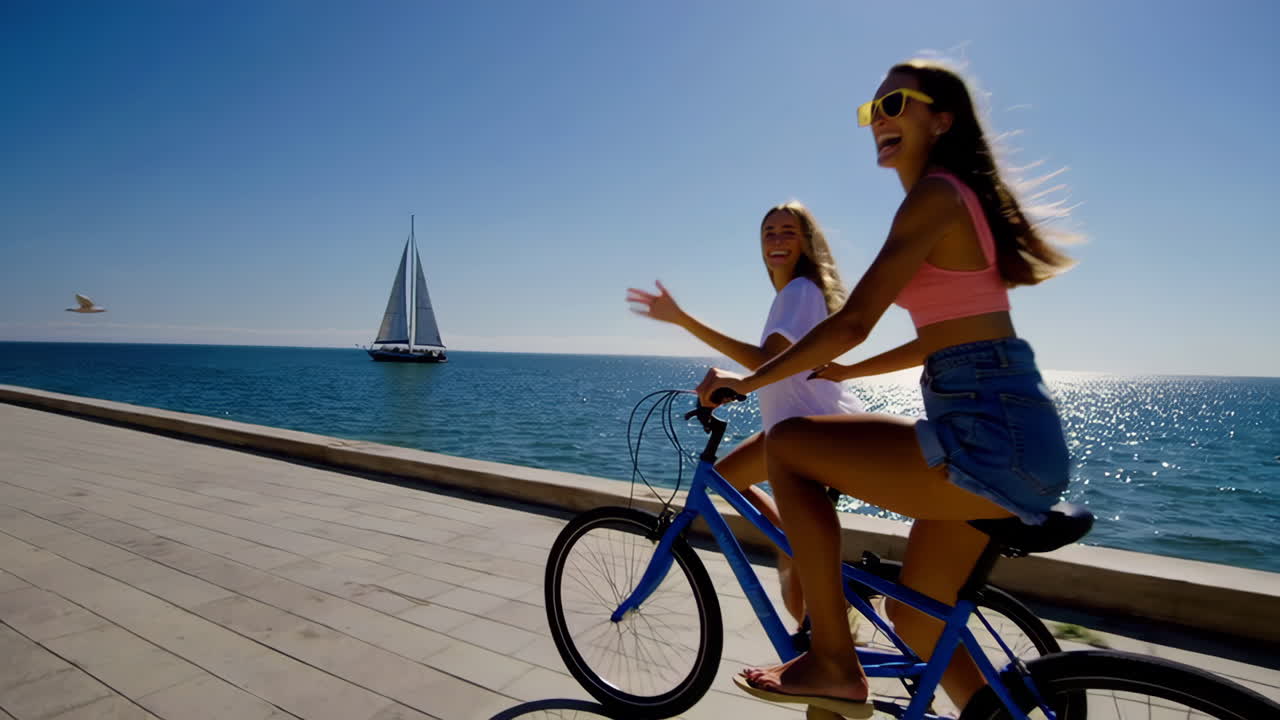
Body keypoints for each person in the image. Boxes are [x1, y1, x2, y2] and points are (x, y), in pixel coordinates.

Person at [698, 59, 1075, 718]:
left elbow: (853, 322)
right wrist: (848, 374)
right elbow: (939, 338)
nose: (879, 120)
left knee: (785, 446)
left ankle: (833, 663)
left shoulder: (936, 195)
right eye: (870, 111)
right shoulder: (946, 201)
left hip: (988, 437)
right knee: (914, 619)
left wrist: (747, 382)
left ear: (941, 118)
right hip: (1003, 431)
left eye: (895, 103)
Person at [627, 201, 864, 627]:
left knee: (800, 603)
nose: (776, 239)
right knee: (725, 479)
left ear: (806, 242)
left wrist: (683, 320)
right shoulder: (795, 292)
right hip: (791, 430)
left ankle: (835, 646)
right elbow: (781, 366)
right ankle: (800, 555)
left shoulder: (800, 291)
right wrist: (736, 381)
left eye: (788, 231)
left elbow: (767, 359)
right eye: (769, 231)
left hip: (808, 438)